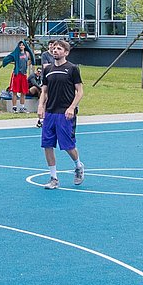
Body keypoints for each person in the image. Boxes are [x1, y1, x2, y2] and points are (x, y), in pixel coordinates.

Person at [36, 37, 85, 188]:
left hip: (65, 113)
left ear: (66, 52)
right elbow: (44, 91)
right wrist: (40, 106)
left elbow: (80, 91)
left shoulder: (72, 69)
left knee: (68, 146)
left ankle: (78, 166)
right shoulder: (47, 69)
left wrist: (71, 108)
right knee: (47, 144)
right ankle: (53, 178)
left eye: (59, 49)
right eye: (54, 48)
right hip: (50, 112)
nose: (55, 50)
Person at [0, 39, 33, 111]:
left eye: (22, 45)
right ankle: (14, 107)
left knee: (23, 92)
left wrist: (28, 64)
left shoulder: (27, 53)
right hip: (17, 74)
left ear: (25, 46)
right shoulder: (16, 53)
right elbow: (9, 57)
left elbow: (31, 59)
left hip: (24, 74)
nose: (21, 46)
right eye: (20, 45)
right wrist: (6, 62)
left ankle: (22, 107)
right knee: (14, 91)